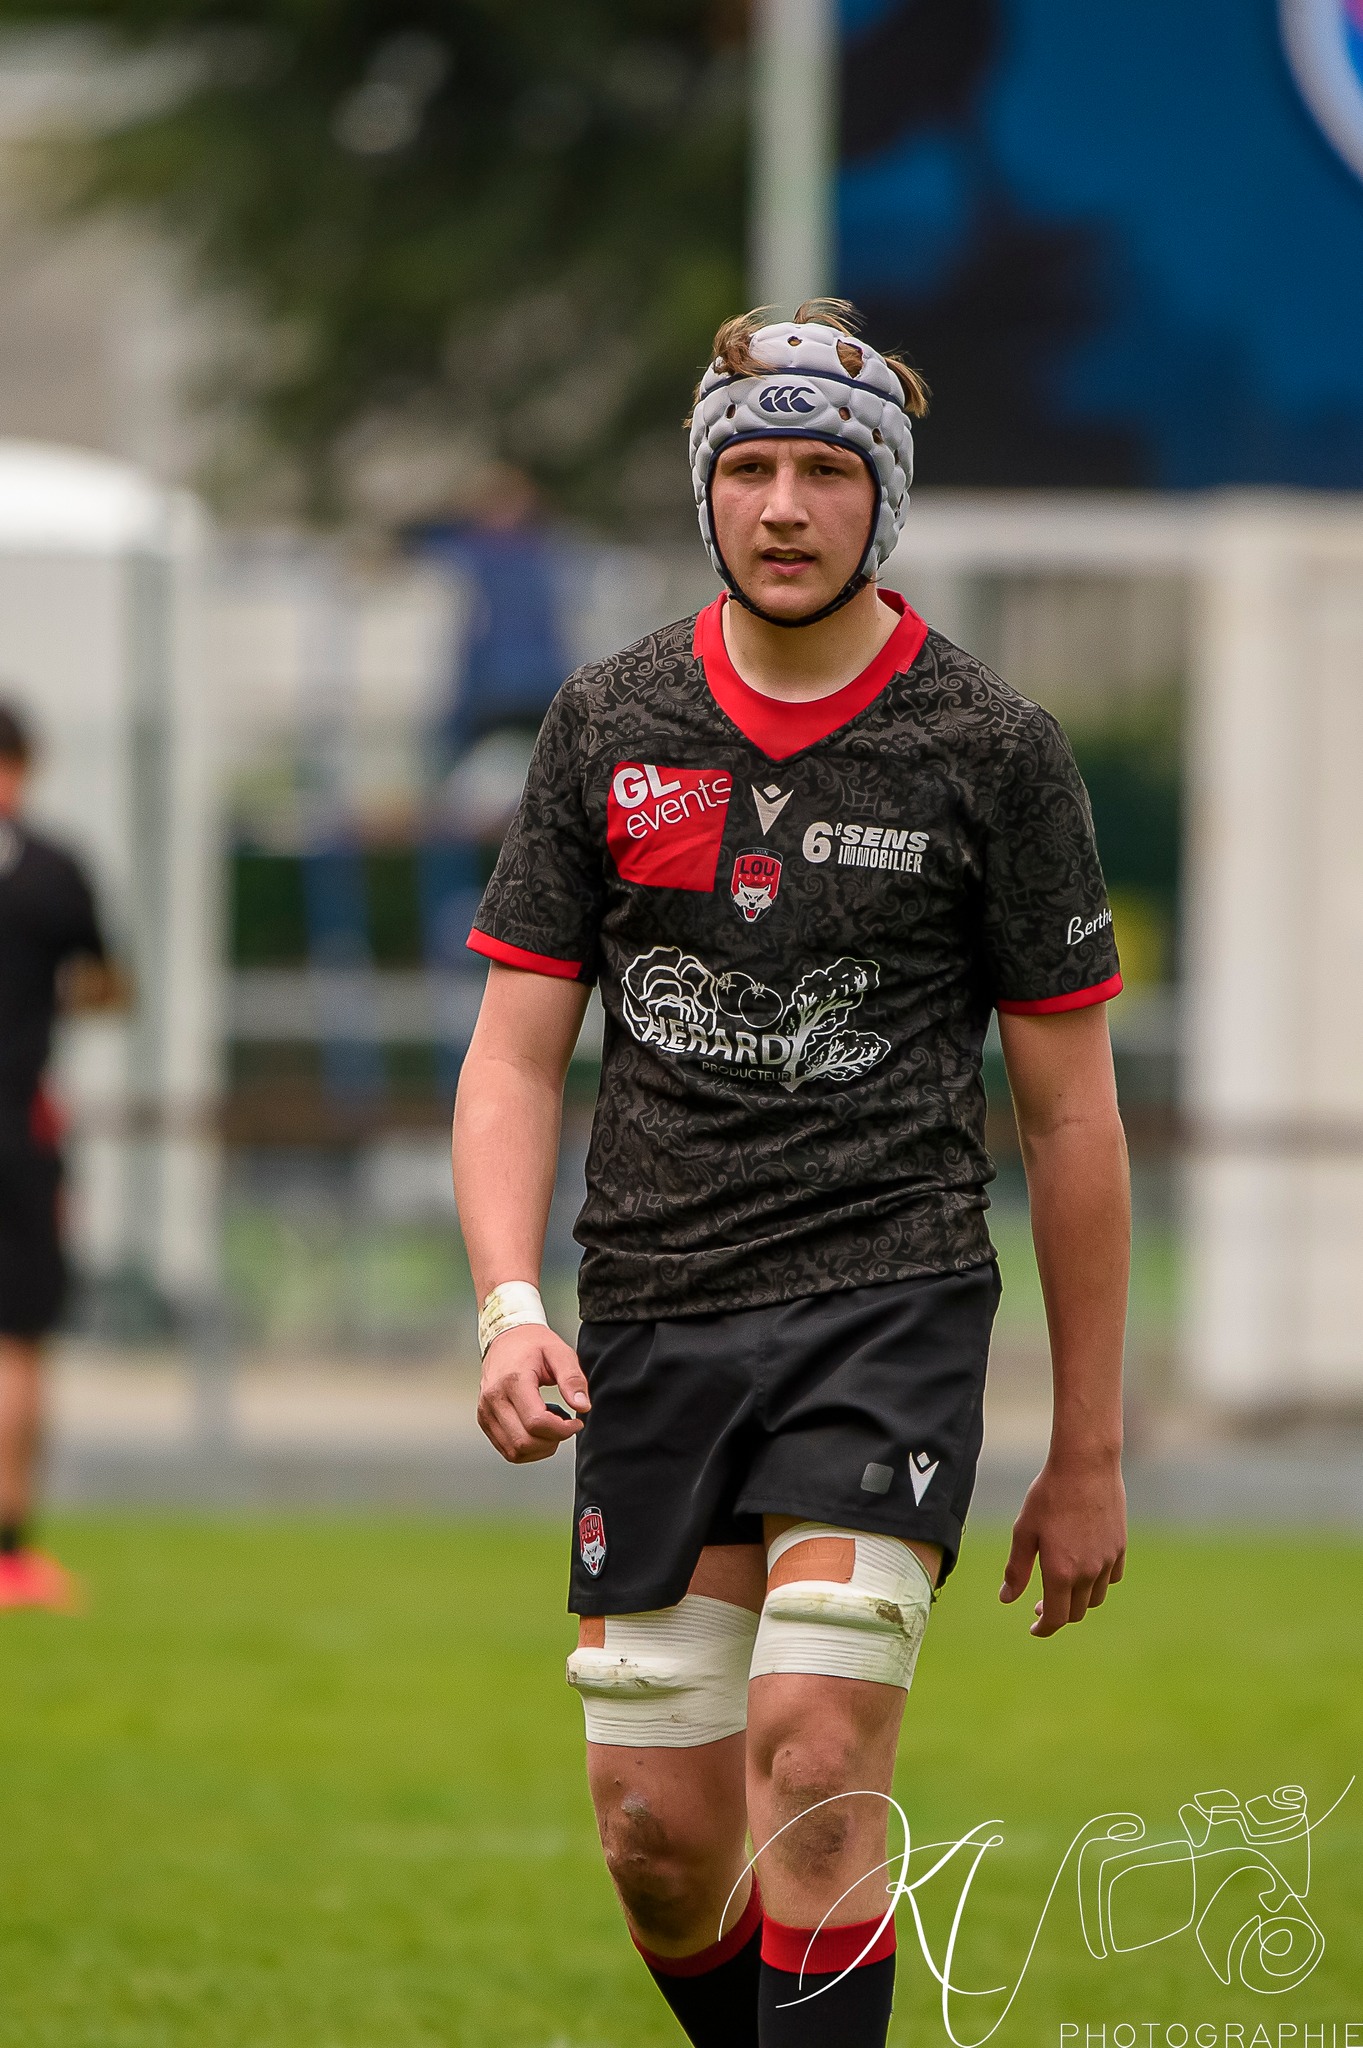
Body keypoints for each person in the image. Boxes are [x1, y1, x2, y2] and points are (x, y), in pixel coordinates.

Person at [453, 301, 1129, 2048]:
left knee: (816, 1752)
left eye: (824, 470)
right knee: (657, 1841)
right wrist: (507, 1308)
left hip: (886, 1306)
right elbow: (513, 1054)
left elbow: (1068, 1119)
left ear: (879, 501)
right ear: (703, 490)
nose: (778, 504)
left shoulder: (992, 748)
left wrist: (1089, 1444)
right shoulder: (609, 722)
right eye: (745, 465)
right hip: (656, 1320)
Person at [0, 701, 125, 1611]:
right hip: (17, 1130)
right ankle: (9, 1556)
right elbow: (111, 984)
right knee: (20, 1346)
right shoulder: (49, 871)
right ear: (25, 765)